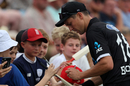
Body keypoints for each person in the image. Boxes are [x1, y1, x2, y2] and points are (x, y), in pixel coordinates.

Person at [55, 1, 130, 86]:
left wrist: (80, 75)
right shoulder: (105, 27)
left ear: (80, 15)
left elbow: (107, 64)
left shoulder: (93, 31)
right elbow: (108, 73)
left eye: (70, 24)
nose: (70, 29)